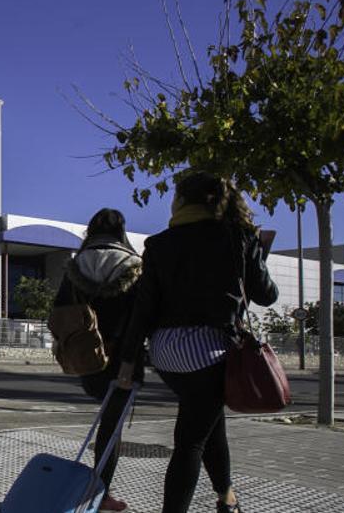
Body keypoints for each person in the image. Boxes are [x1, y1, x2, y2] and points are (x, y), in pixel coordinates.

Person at [117, 172, 278, 513]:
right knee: (190, 442)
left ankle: (227, 497)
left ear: (181, 201)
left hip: (166, 352)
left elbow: (144, 306)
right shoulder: (238, 236)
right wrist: (257, 253)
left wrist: (129, 361)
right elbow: (266, 295)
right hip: (210, 350)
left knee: (207, 421)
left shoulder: (159, 244)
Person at [52, 208, 143, 513]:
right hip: (124, 358)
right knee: (111, 427)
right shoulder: (135, 266)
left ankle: (97, 492)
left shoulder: (76, 266)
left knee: (105, 419)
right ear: (122, 232)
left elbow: (59, 310)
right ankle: (101, 494)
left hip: (87, 355)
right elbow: (141, 318)